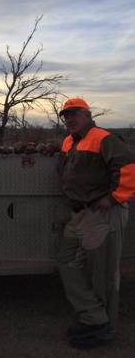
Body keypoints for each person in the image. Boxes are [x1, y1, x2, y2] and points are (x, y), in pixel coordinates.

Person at [58, 97, 135, 349]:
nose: (69, 118)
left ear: (88, 115)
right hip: (78, 215)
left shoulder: (104, 138)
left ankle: (103, 328)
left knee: (102, 274)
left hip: (101, 215)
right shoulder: (69, 141)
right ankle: (94, 315)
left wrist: (113, 198)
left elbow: (130, 167)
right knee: (67, 263)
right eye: (65, 115)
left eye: (74, 113)